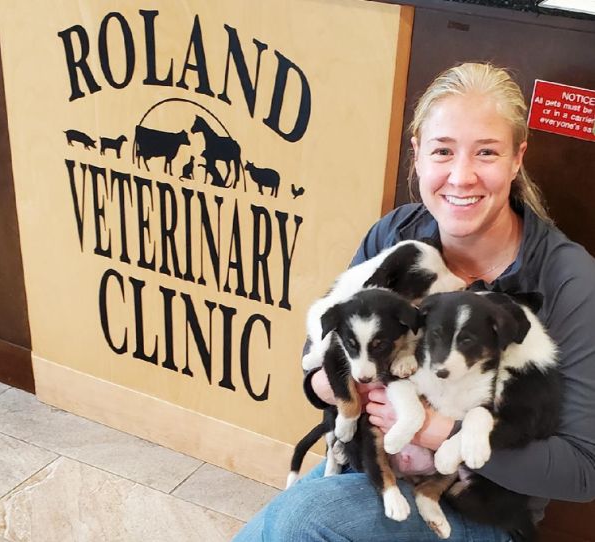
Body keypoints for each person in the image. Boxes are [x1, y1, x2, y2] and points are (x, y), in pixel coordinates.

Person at [233, 62, 595, 541]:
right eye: (442, 151)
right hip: (377, 467)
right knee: (306, 515)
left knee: (306, 517)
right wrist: (331, 384)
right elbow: (323, 359)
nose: (461, 176)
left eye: (486, 152)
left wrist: (436, 431)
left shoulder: (570, 280)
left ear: (516, 158)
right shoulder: (398, 236)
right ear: (418, 155)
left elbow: (581, 471)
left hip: (480, 502)